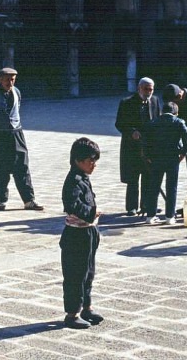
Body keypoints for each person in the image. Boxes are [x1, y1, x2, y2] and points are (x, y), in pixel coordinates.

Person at [0, 67, 44, 211]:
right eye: (7, 79)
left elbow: (16, 111)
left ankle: (29, 200)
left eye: (13, 79)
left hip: (16, 133)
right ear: (0, 79)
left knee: (22, 166)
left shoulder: (17, 92)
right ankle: (1, 200)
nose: (10, 82)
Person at [60, 137, 104, 330]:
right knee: (75, 274)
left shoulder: (84, 178)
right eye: (90, 161)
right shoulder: (73, 181)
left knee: (88, 272)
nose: (93, 165)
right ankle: (72, 312)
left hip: (89, 232)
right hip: (76, 235)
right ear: (78, 160)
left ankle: (86, 307)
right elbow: (72, 205)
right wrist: (91, 213)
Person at [115, 77, 160, 216]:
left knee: (148, 177)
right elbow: (119, 123)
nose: (148, 92)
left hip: (149, 146)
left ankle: (146, 206)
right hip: (132, 147)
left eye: (151, 89)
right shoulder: (127, 103)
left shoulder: (155, 101)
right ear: (139, 88)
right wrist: (131, 132)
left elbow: (158, 119)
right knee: (133, 178)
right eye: (146, 89)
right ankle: (131, 207)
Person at [141, 102, 187, 225]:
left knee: (154, 187)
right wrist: (184, 153)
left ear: (162, 111)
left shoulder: (153, 123)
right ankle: (169, 216)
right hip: (172, 157)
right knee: (171, 187)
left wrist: (147, 155)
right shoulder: (179, 122)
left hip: (156, 158)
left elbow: (145, 139)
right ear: (176, 112)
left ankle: (150, 216)